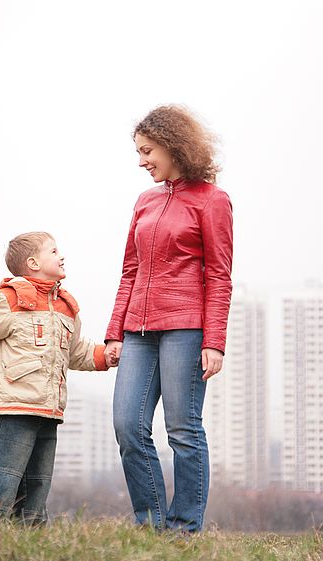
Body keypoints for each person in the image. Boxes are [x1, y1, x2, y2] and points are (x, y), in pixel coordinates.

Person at [103, 105, 233, 533]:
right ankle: (151, 523)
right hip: (138, 331)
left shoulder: (213, 201)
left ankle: (184, 529)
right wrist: (114, 333)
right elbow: (129, 270)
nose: (141, 161)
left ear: (174, 146)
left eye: (147, 151)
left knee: (182, 429)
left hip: (186, 328)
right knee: (127, 424)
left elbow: (218, 275)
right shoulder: (145, 201)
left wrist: (214, 341)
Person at [0, 232, 110, 526]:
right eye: (54, 251)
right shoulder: (12, 299)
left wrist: (105, 356)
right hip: (16, 404)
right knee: (4, 475)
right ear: (33, 263)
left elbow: (76, 352)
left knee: (38, 480)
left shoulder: (67, 308)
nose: (61, 256)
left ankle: (30, 532)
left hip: (50, 408)